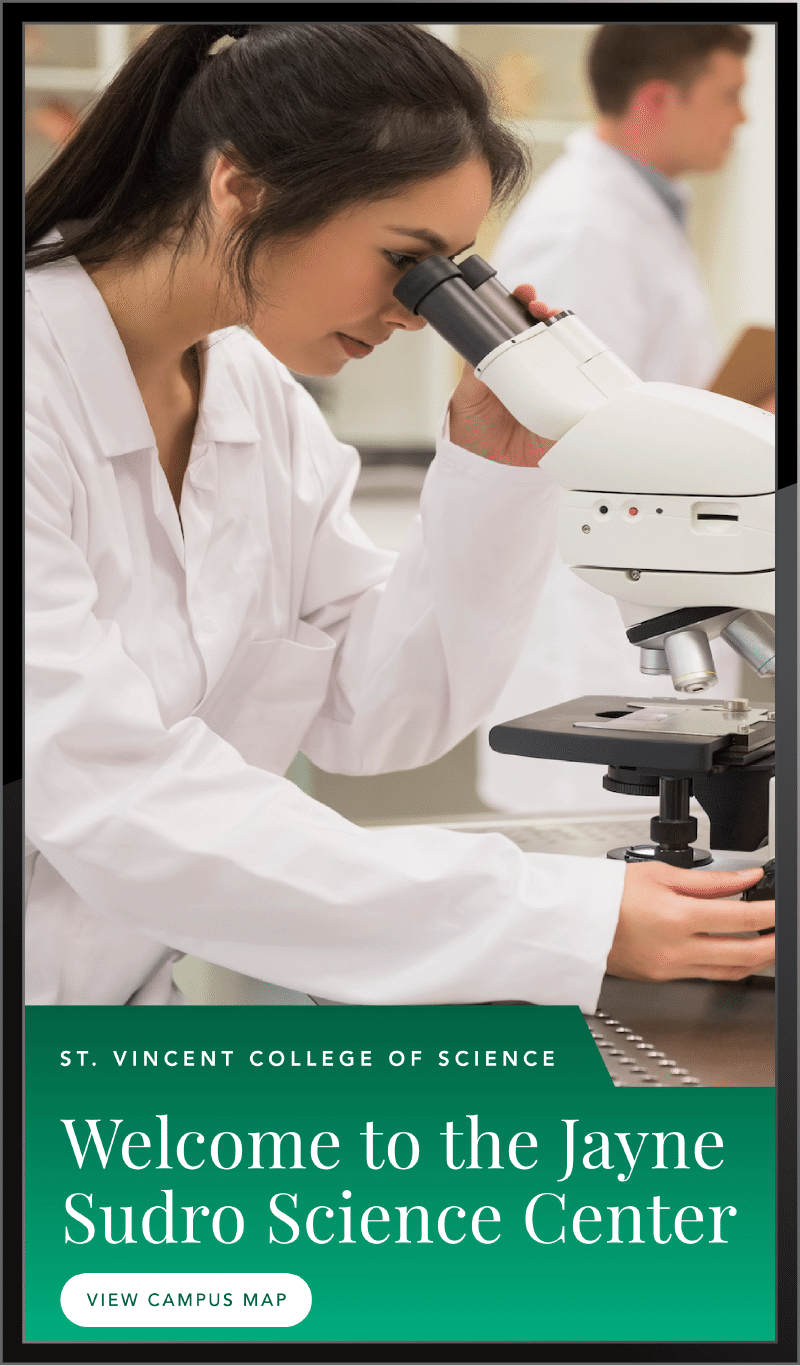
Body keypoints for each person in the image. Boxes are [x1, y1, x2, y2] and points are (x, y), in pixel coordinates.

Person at [24, 23, 774, 1010]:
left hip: (110, 1023)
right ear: (240, 187)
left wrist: (490, 471)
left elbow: (372, 716)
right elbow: (119, 800)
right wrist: (568, 918)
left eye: (447, 270)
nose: (417, 311)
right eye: (403, 257)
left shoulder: (253, 398)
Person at [478, 22, 766, 815]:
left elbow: (637, 404)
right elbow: (585, 434)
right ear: (654, 100)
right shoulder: (584, 226)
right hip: (599, 620)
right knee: (601, 862)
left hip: (651, 594)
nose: (742, 119)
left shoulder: (641, 213)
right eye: (730, 95)